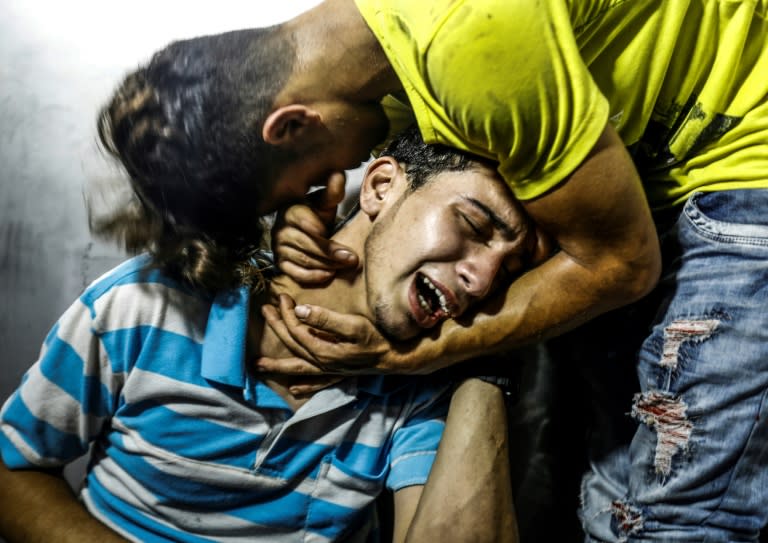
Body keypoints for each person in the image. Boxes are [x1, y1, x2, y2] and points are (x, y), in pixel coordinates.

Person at [97, 1, 768, 540]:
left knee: (681, 520)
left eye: (298, 188)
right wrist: (303, 220)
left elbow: (624, 262)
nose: (327, 190)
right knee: (612, 506)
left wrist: (419, 353)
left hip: (741, 158)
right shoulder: (384, 53)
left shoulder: (473, 48)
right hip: (642, 173)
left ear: (292, 125)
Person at [0, 127, 526, 543]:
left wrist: (488, 354)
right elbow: (11, 471)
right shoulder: (146, 303)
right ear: (381, 185)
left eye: (509, 273)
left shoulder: (426, 383)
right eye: (474, 227)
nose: (482, 281)